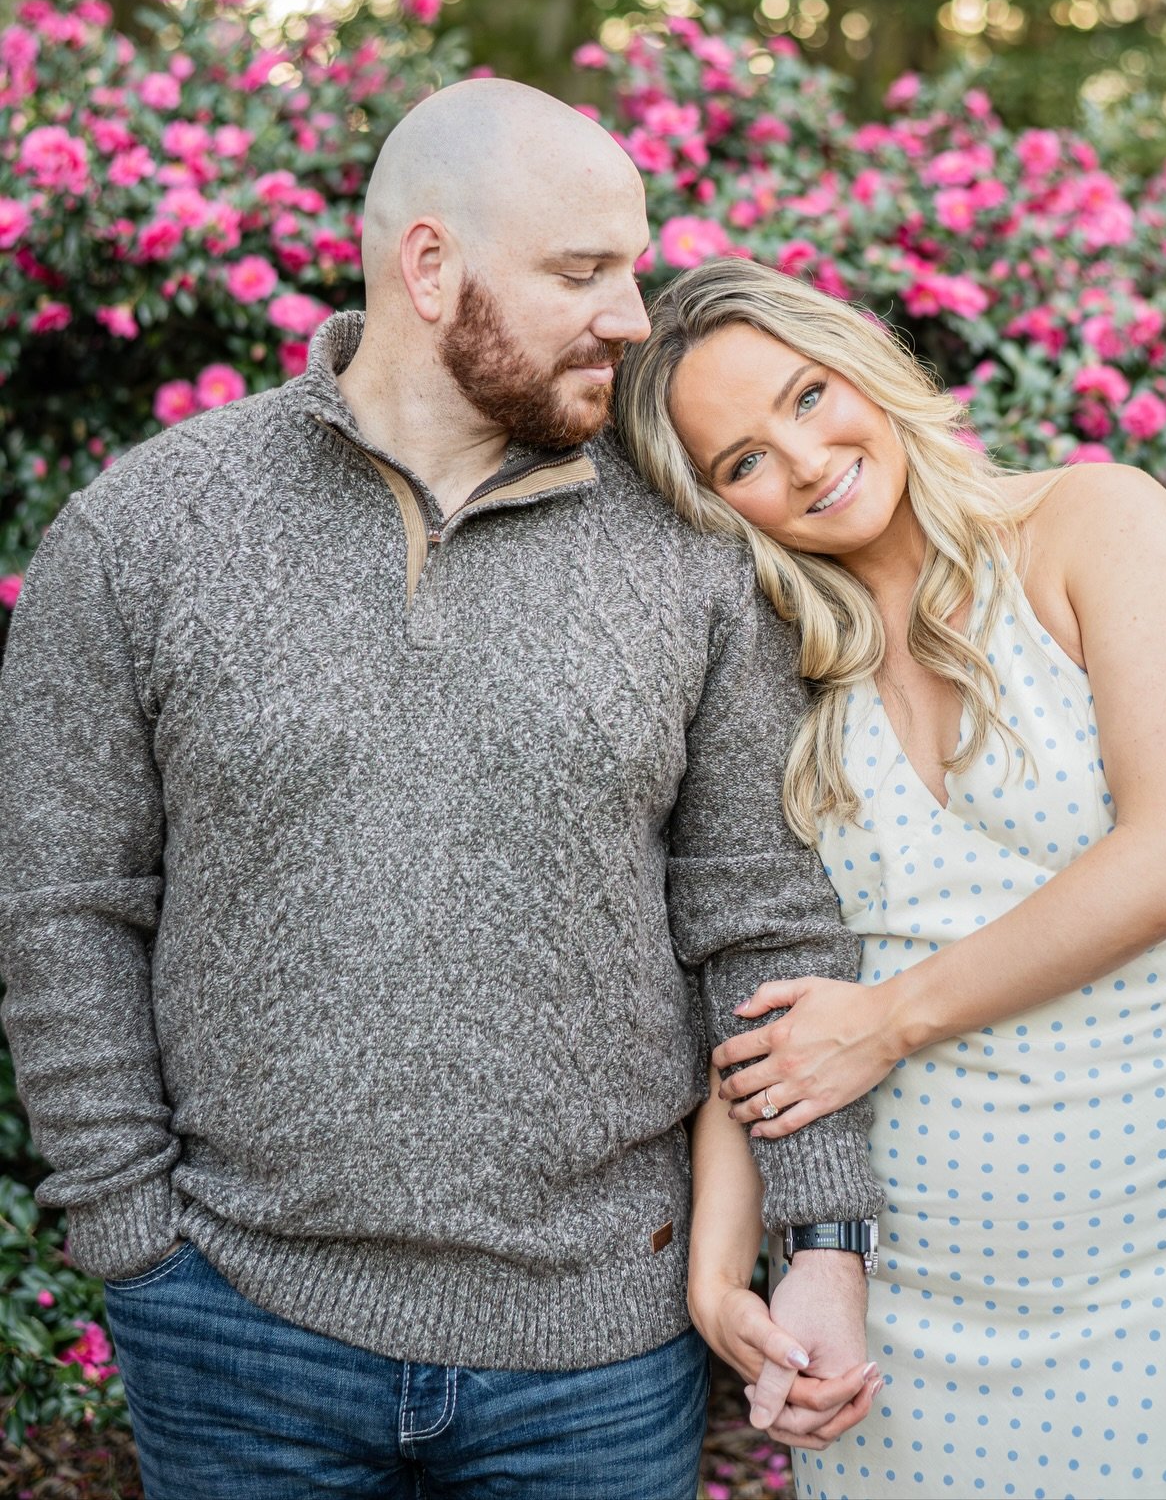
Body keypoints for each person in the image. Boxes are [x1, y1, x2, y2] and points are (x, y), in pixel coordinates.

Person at [0, 80, 885, 1500]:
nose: (633, 316)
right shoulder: (145, 532)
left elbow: (764, 926)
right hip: (239, 1336)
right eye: (585, 270)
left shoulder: (689, 555)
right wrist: (135, 1243)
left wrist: (822, 1237)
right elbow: (65, 907)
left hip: (601, 1351)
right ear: (431, 266)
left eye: (634, 265)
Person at [614, 258, 1166, 1500]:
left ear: (864, 367)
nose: (806, 456)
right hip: (903, 1293)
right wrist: (723, 1269)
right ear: (720, 507)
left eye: (809, 394)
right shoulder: (779, 666)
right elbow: (764, 979)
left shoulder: (1095, 522)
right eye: (744, 461)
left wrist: (885, 1020)